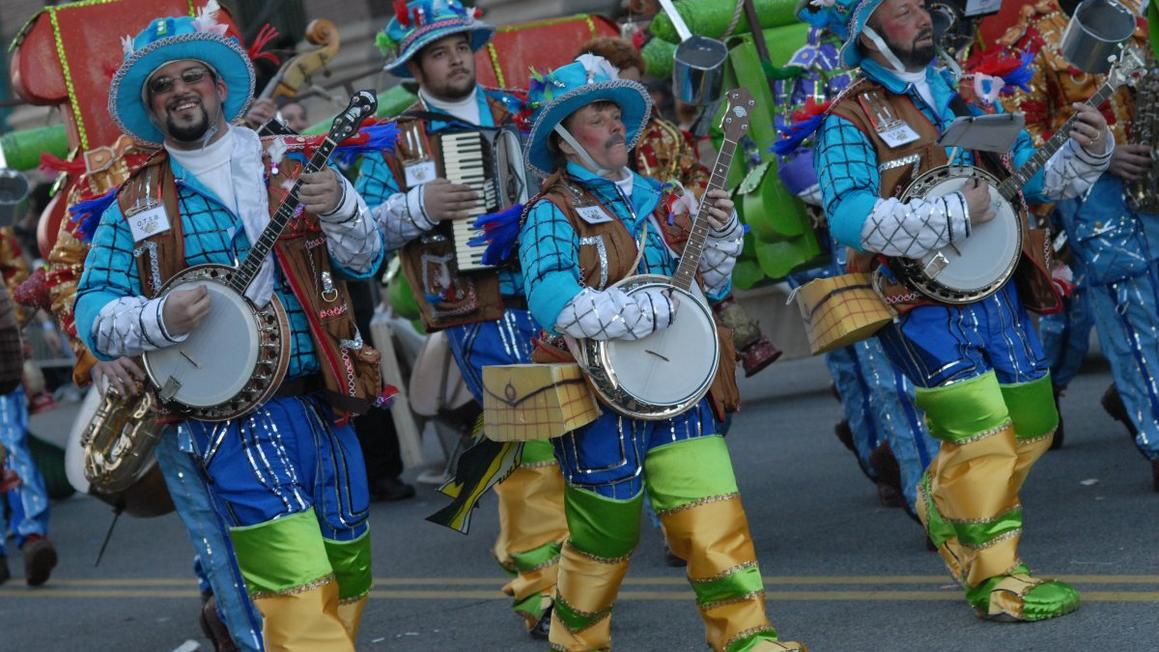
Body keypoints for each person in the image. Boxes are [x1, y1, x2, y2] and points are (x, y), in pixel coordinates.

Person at [75, 7, 384, 649]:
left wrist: (345, 208)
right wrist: (157, 317)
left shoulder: (295, 163)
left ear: (219, 88)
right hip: (227, 423)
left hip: (323, 399)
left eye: (194, 76)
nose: (180, 90)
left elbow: (364, 258)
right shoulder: (134, 203)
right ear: (151, 107)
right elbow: (93, 311)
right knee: (293, 584)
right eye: (163, 84)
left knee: (348, 567)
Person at [813, 0, 1112, 621]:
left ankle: (940, 497)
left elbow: (1031, 181)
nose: (922, 15)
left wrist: (1088, 152)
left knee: (1034, 425)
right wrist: (950, 216)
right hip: (918, 304)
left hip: (1000, 289)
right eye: (901, 10)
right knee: (981, 443)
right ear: (867, 34)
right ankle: (997, 582)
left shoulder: (969, 91)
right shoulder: (849, 118)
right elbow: (846, 214)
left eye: (922, 5)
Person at [518, 54, 804, 652]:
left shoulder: (665, 195)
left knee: (714, 519)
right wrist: (634, 316)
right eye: (596, 116)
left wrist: (722, 234)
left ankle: (746, 636)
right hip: (598, 399)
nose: (614, 125)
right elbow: (551, 300)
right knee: (606, 539)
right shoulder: (551, 212)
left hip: (680, 391)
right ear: (567, 141)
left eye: (614, 113)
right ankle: (577, 639)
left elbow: (710, 289)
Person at [355, 0, 567, 638]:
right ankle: (541, 589)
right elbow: (360, 233)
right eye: (439, 51)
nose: (455, 58)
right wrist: (421, 204)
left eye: (461, 46)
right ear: (415, 66)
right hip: (477, 307)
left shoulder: (519, 112)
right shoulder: (396, 135)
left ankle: (579, 575)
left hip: (555, 293)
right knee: (527, 444)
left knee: (578, 439)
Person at [776, 0, 939, 516]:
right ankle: (895, 468)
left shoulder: (928, 64)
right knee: (868, 362)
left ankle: (920, 469)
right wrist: (850, 194)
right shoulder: (809, 61)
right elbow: (789, 147)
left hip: (937, 236)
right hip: (851, 231)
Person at [992, 0, 1159, 489]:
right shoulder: (1028, 41)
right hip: (1091, 194)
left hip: (1150, 184)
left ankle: (1128, 398)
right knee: (1130, 316)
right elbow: (1019, 135)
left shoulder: (1137, 17)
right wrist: (1102, 155)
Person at [577, 36, 781, 378]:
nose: (632, 90)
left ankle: (726, 357)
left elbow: (692, 171)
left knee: (708, 293)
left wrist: (692, 196)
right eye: (620, 82)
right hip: (622, 248)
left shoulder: (663, 131)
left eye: (635, 82)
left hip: (674, 228)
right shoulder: (599, 145)